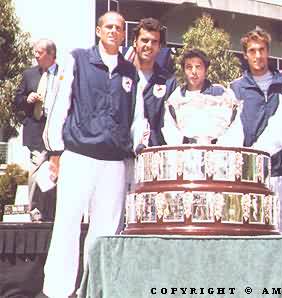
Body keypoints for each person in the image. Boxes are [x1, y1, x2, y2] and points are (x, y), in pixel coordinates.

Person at [42, 11, 137, 298]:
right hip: (78, 155)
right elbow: (59, 105)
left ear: (123, 35)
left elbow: (136, 118)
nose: (113, 31)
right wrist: (55, 150)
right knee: (67, 224)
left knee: (106, 230)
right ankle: (58, 290)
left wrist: (133, 150)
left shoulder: (130, 72)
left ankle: (95, 288)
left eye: (119, 28)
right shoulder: (77, 59)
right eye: (108, 26)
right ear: (98, 30)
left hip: (113, 162)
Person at [230, 28, 282, 233]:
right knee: (255, 231)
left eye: (261, 50)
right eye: (252, 50)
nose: (257, 55)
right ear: (245, 55)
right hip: (254, 174)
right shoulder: (235, 88)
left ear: (268, 51)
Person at [14, 38, 60, 220]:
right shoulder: (29, 75)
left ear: (50, 55)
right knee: (36, 169)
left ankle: (52, 211)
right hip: (36, 132)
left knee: (54, 173)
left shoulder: (64, 75)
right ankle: (34, 211)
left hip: (57, 132)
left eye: (39, 52)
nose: (35, 55)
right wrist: (27, 99)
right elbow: (17, 101)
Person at [162, 48, 243, 146]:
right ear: (184, 70)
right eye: (189, 67)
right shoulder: (176, 98)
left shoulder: (221, 94)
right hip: (187, 153)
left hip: (218, 154)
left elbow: (235, 125)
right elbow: (170, 129)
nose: (194, 71)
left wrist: (220, 145)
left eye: (198, 67)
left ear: (206, 69)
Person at [124, 17, 177, 153]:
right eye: (144, 40)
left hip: (154, 156)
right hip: (121, 155)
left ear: (159, 47)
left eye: (154, 42)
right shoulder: (119, 76)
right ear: (135, 42)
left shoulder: (169, 82)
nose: (149, 45)